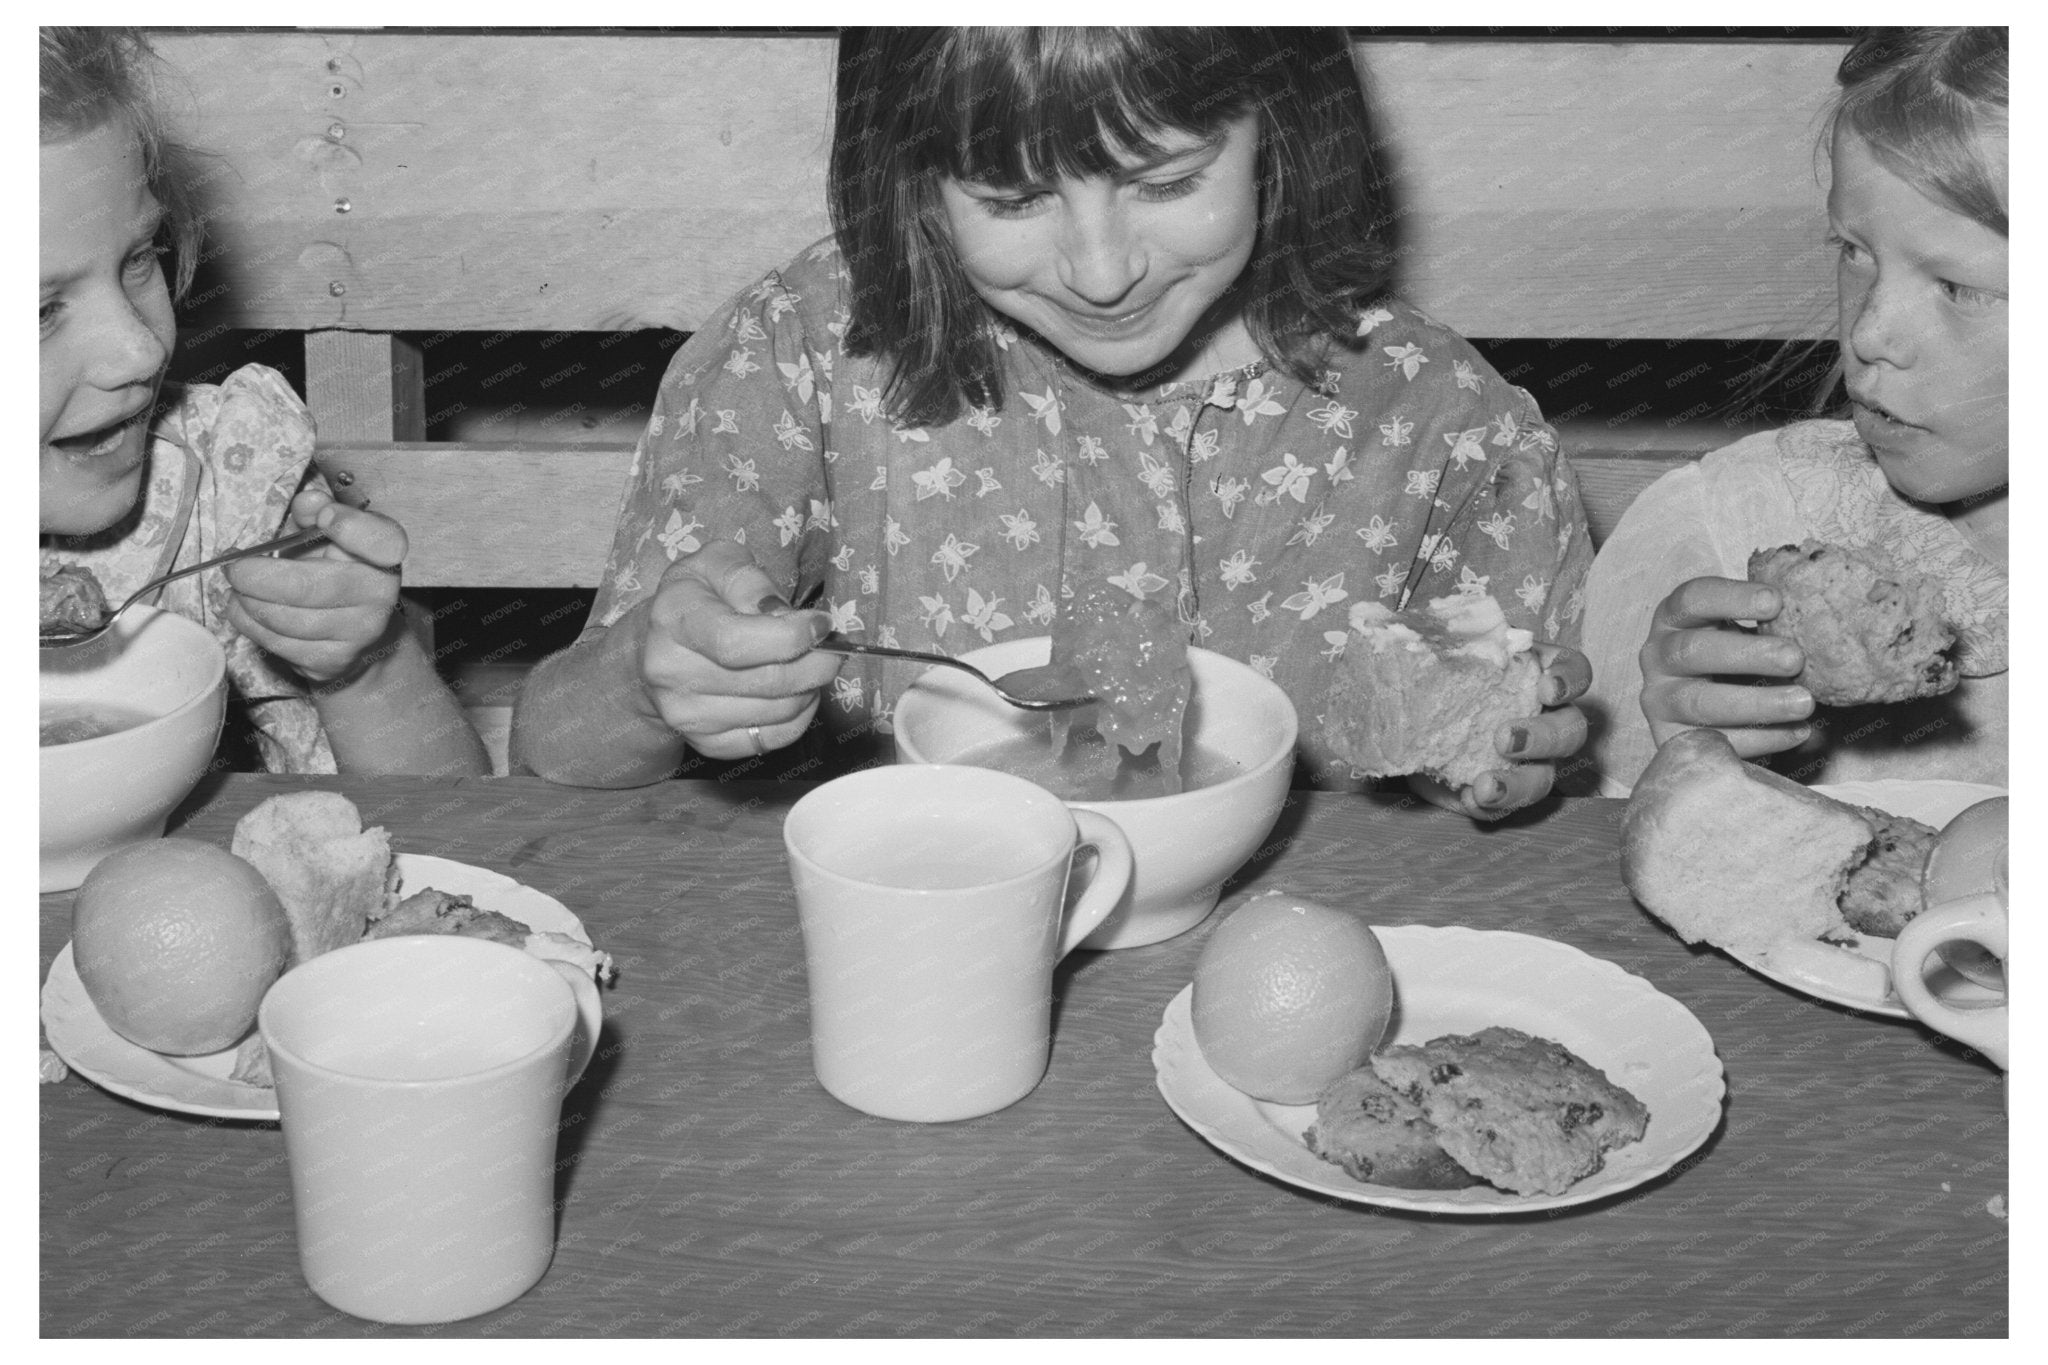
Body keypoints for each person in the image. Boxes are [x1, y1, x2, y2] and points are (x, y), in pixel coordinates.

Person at [514, 27, 1595, 818]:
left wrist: (1477, 756)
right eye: (1013, 199)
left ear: (1285, 125)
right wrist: (647, 684)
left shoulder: (1441, 428)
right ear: (910, 176)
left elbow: (1508, 793)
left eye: (1167, 180)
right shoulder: (800, 354)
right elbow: (554, 756)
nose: (1101, 270)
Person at [40, 28, 488, 776]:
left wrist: (363, 668)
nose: (139, 350)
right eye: (39, 311)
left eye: (140, 259)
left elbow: (445, 813)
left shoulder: (229, 491)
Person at [1579, 27, 2007, 796]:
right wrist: (1687, 767)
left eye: (1959, 288)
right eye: (1854, 250)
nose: (1868, 332)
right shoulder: (1718, 534)